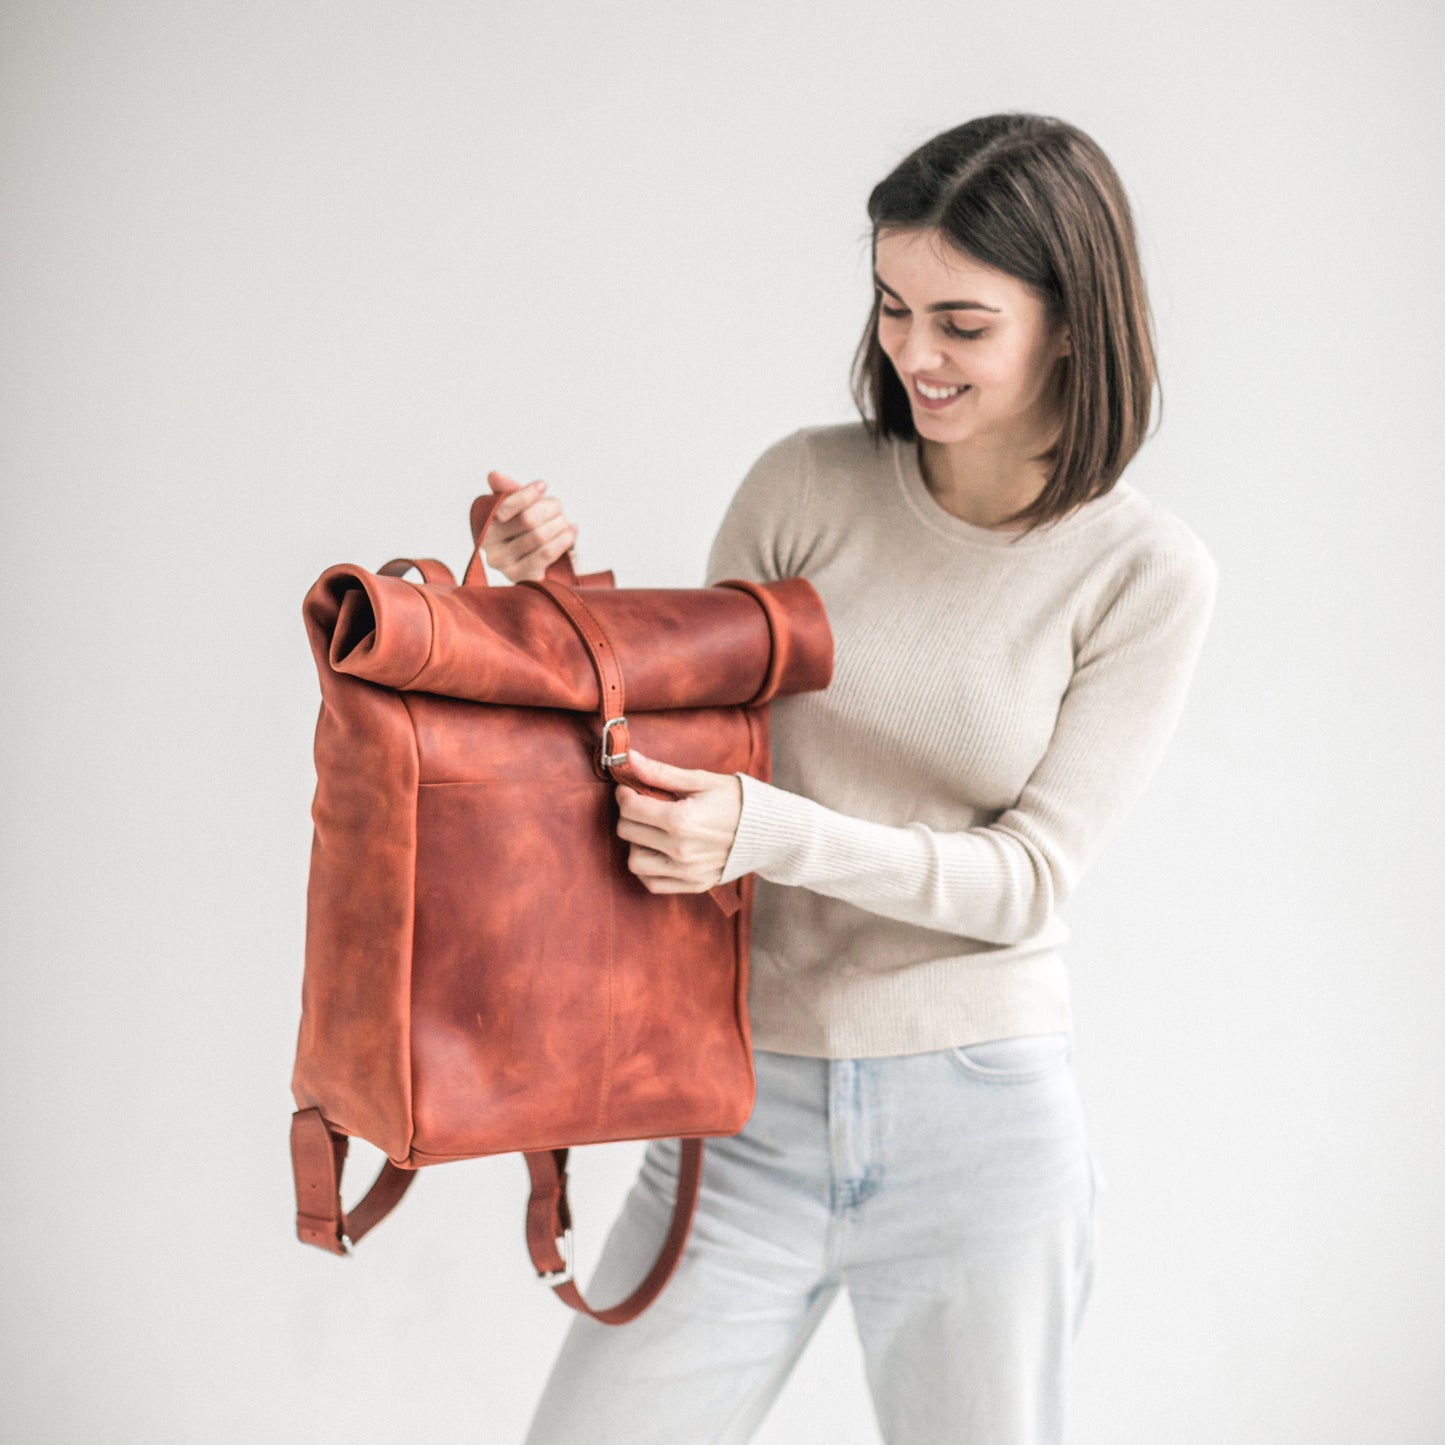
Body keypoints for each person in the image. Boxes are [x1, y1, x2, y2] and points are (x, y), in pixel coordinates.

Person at [485, 112, 1219, 1445]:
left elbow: (1026, 880)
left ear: (1070, 323)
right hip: (738, 1107)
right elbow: (674, 741)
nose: (913, 355)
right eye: (891, 308)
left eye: (961, 322)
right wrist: (545, 590)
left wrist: (769, 833)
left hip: (977, 1133)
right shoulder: (804, 485)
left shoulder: (1141, 571)